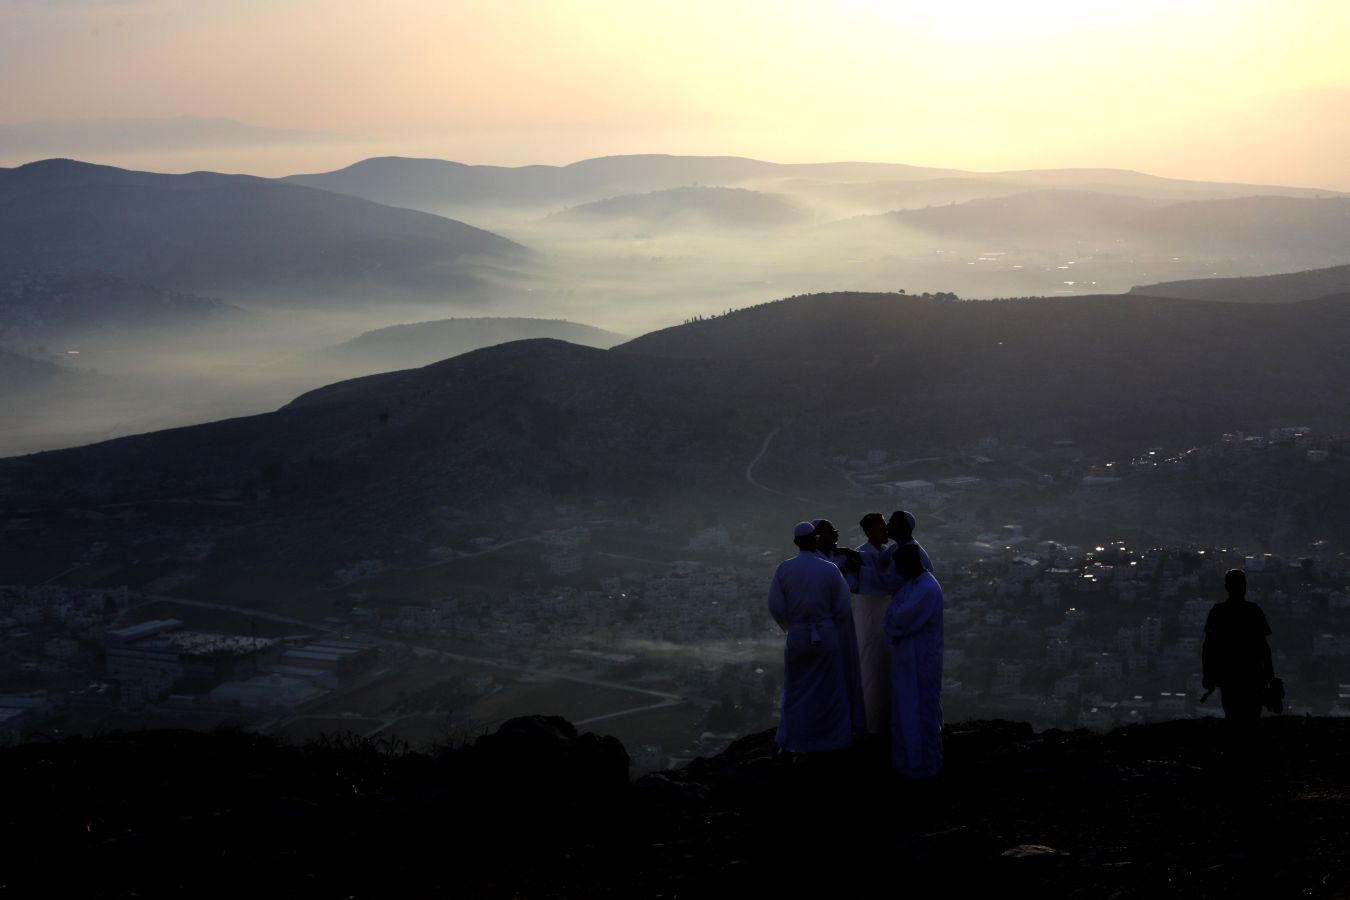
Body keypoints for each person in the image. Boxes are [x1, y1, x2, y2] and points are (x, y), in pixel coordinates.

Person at [768, 521, 864, 752]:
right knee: (831, 687)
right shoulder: (829, 569)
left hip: (799, 635)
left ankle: (797, 740)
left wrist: (793, 626)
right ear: (816, 540)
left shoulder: (784, 569)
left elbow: (776, 606)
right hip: (826, 633)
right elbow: (842, 606)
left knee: (797, 687)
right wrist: (825, 623)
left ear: (795, 542)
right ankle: (832, 738)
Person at [884, 543, 944, 779]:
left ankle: (924, 766)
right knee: (905, 711)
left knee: (922, 712)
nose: (897, 571)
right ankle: (907, 763)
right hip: (908, 658)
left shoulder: (927, 588)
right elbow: (892, 615)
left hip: (922, 659)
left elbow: (898, 618)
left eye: (899, 566)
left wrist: (895, 620)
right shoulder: (912, 586)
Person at [1202, 569, 1276, 749]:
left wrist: (1208, 676)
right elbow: (1264, 648)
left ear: (1226, 587)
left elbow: (1208, 647)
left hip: (1230, 677)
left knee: (1233, 718)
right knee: (1251, 720)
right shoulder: (1253, 611)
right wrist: (1270, 678)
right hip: (1252, 677)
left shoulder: (1219, 611)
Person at [811, 519, 867, 732]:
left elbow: (853, 586)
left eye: (836, 531)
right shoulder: (816, 562)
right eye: (831, 532)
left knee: (846, 670)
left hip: (842, 624)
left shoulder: (837, 557)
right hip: (826, 625)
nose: (836, 536)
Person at [853, 512, 895, 735]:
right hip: (870, 621)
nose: (885, 531)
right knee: (871, 671)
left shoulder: (888, 553)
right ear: (869, 531)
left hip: (887, 619)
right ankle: (871, 726)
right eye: (880, 528)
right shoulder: (860, 555)